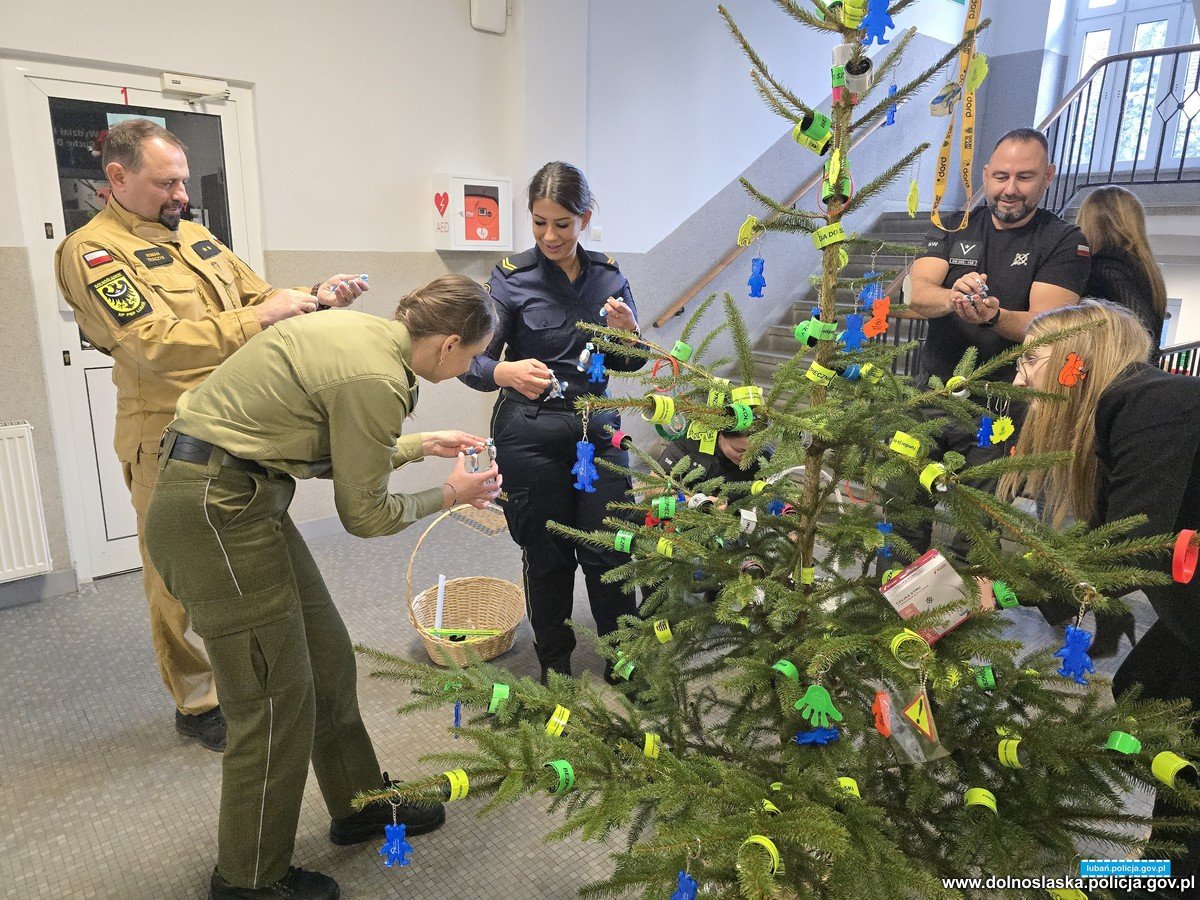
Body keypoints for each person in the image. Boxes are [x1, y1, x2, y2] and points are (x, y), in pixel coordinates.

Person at [143, 275, 500, 899]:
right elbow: (367, 515)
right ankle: (249, 879)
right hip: (215, 512)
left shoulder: (365, 335)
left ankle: (358, 803)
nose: (470, 367)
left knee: (327, 657)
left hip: (244, 496)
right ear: (449, 344)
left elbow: (332, 439)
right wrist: (451, 493)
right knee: (272, 700)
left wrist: (418, 445)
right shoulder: (379, 377)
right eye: (473, 356)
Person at [54, 118, 368, 752]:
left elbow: (258, 296)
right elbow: (152, 342)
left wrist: (313, 295)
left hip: (234, 423)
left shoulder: (196, 237)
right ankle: (197, 700)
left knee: (250, 548)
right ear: (117, 178)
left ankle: (258, 674)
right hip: (165, 433)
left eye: (182, 181)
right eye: (165, 183)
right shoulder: (93, 253)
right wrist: (260, 318)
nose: (181, 195)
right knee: (177, 575)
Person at [998, 299, 1200, 899]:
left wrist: (1008, 588)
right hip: (1187, 612)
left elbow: (1131, 547)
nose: (1018, 380)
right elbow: (1104, 540)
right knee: (1152, 697)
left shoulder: (1152, 403)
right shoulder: (1126, 413)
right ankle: (1167, 867)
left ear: (1074, 360)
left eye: (1029, 361)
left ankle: (1172, 875)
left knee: (1163, 707)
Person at [460, 161, 646, 682]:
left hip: (597, 431)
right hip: (529, 435)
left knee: (610, 548)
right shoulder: (510, 278)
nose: (549, 236)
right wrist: (505, 370)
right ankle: (555, 663)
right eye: (539, 222)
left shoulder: (609, 276)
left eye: (562, 224)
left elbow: (630, 362)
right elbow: (471, 363)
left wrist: (630, 334)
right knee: (547, 555)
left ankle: (623, 659)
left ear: (584, 218)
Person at [901, 127, 1091, 558]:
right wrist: (954, 298)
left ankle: (967, 596)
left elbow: (1049, 326)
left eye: (1025, 177)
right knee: (903, 513)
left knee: (975, 534)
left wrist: (993, 316)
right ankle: (895, 592)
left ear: (1048, 177)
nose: (1010, 189)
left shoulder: (1064, 241)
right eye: (1001, 176)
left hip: (1000, 408)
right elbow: (916, 295)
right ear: (986, 175)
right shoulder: (954, 224)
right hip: (930, 394)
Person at [1075, 185, 1167, 350]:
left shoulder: (1106, 267)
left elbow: (1144, 327)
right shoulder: (1146, 269)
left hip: (1111, 364)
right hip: (1138, 364)